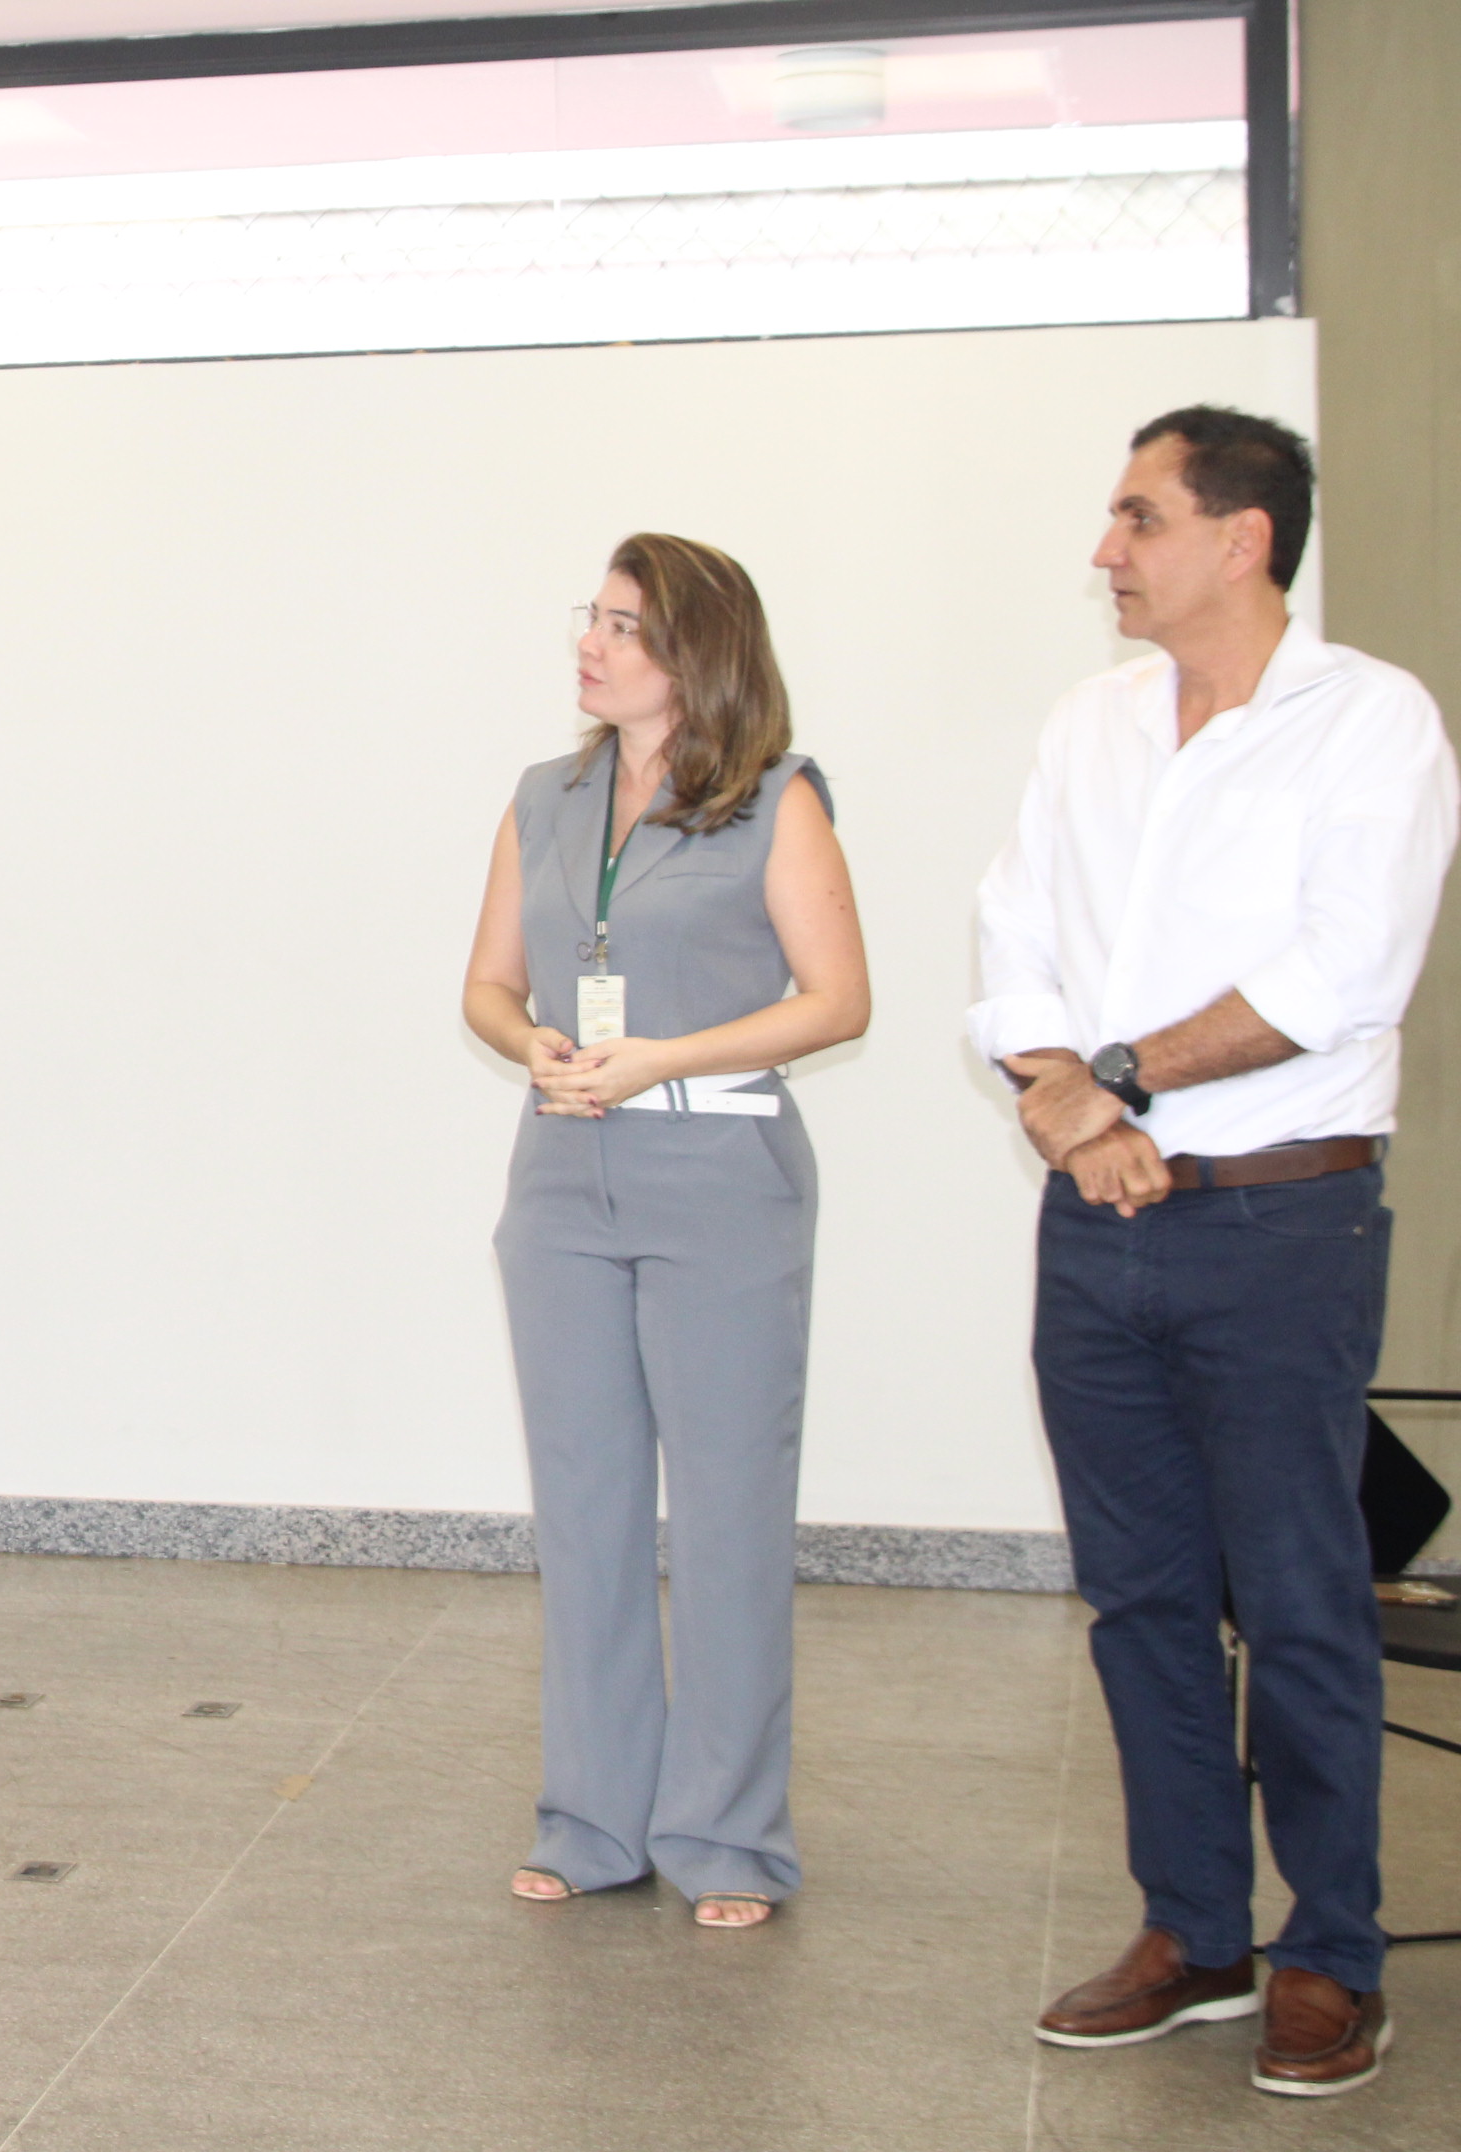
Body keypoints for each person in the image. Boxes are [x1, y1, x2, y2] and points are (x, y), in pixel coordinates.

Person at [975, 408, 1455, 2097]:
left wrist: (1110, 1078)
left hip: (1278, 1219)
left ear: (1240, 539)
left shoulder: (1367, 722)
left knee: (1298, 1598)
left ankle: (1328, 1953)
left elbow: (1336, 976)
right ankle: (1192, 1931)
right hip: (1094, 1223)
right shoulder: (1085, 725)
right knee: (1141, 1600)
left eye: (1134, 517)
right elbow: (1012, 937)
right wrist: (1065, 1110)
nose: (1102, 549)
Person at [461, 535, 868, 1929]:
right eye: (594, 616)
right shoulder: (545, 796)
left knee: (730, 1517)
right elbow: (489, 984)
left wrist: (663, 1055)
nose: (593, 641)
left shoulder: (774, 801)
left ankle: (731, 1837)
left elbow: (837, 1000)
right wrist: (535, 1047)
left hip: (723, 1173)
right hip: (565, 1174)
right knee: (582, 1508)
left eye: (624, 625)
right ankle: (591, 1819)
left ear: (696, 651)